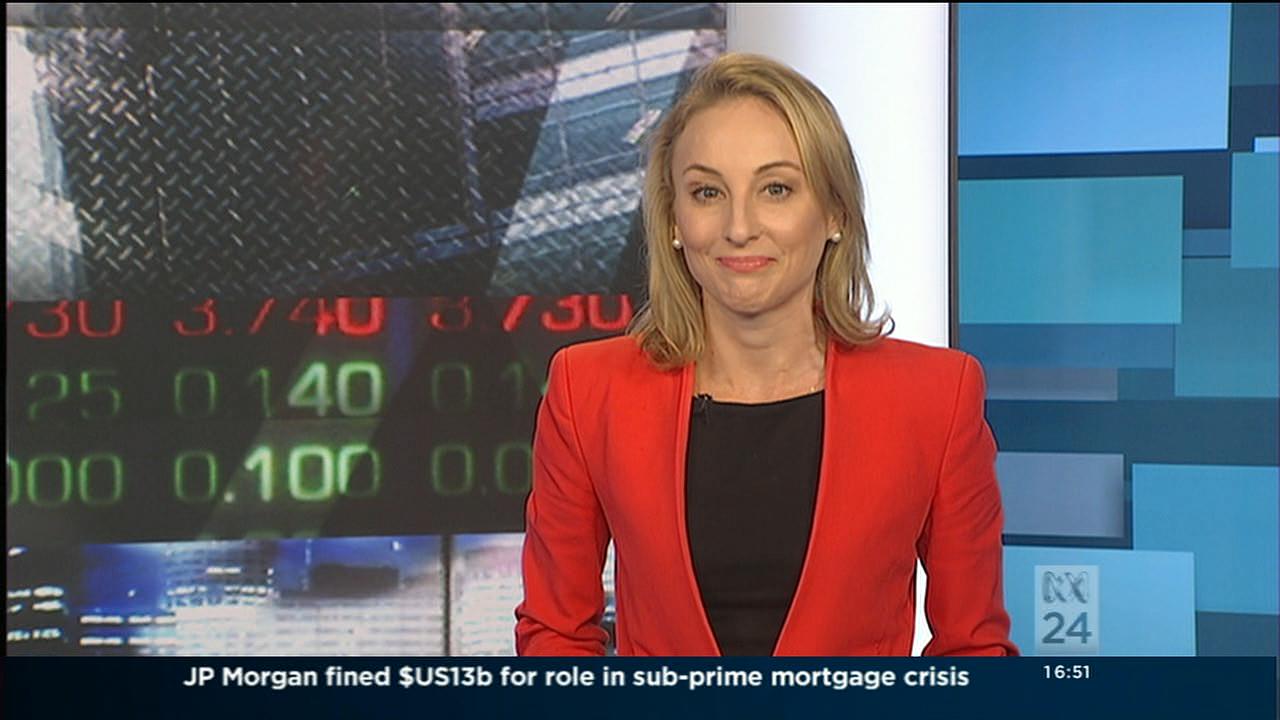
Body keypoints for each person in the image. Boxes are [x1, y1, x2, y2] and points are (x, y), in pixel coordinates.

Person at [514, 52, 1017, 656]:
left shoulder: (936, 396)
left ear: (834, 212)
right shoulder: (588, 390)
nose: (739, 226)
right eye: (707, 192)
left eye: (776, 189)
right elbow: (555, 635)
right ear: (673, 220)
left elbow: (972, 650)